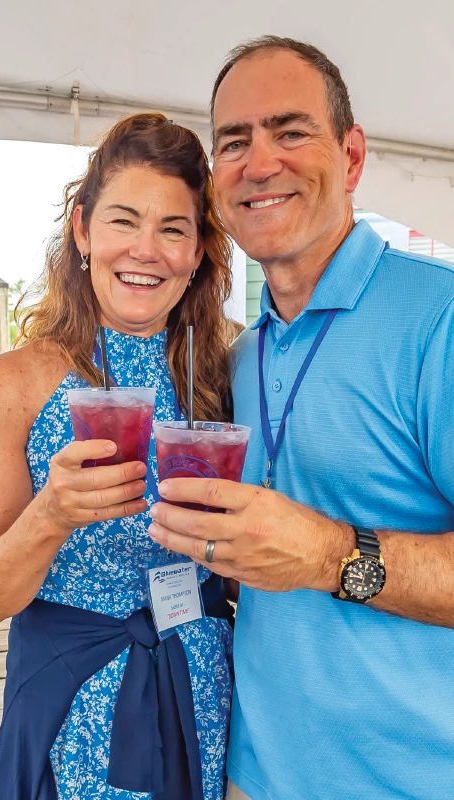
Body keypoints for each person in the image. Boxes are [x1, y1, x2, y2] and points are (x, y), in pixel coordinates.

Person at [146, 36, 454, 800]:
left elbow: (310, 551)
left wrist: (323, 554)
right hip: (252, 773)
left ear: (351, 157)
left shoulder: (438, 318)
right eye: (235, 142)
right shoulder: (244, 356)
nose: (260, 162)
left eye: (291, 131)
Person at [0, 113, 235, 800]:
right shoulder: (12, 383)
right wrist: (50, 514)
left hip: (200, 683)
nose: (147, 250)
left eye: (174, 228)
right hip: (70, 696)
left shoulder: (223, 370)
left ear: (198, 250)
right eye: (122, 221)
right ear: (82, 230)